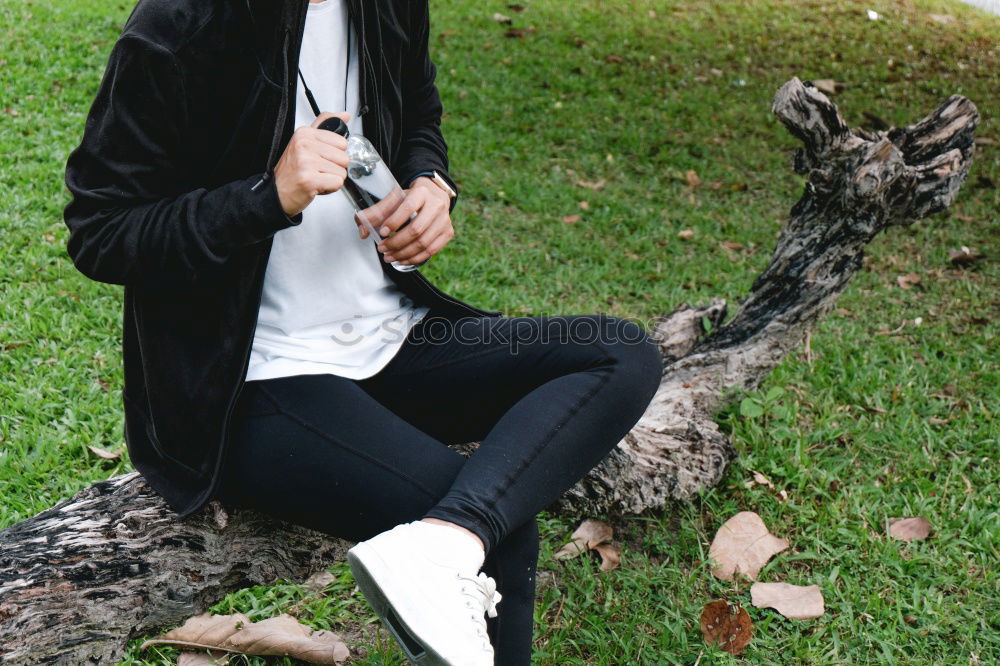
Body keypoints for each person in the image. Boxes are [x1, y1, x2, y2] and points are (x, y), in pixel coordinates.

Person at [63, 0, 663, 663]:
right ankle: (458, 541)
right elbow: (101, 231)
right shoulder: (180, 23)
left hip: (391, 337)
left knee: (619, 352)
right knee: (505, 537)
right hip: (252, 375)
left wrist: (431, 185)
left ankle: (442, 545)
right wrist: (268, 195)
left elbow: (418, 117)